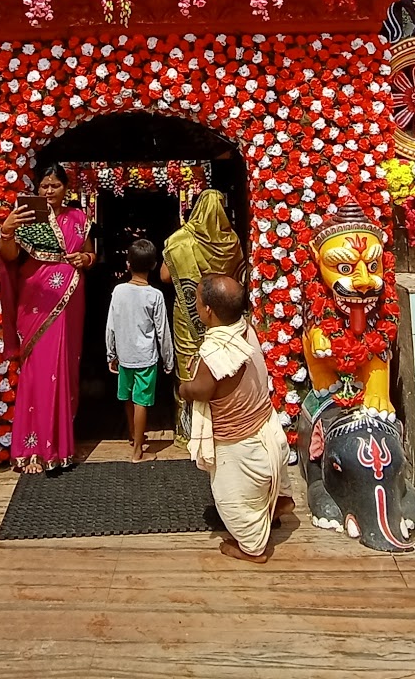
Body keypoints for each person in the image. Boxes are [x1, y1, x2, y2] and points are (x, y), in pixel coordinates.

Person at [178, 271, 292, 564]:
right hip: (268, 427)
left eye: (199, 300)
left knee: (232, 502)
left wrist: (184, 388)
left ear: (208, 311)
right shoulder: (244, 328)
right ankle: (278, 502)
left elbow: (202, 390)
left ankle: (251, 548)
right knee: (267, 482)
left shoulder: (215, 351)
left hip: (240, 446)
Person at [0, 164, 97, 474]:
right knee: (37, 367)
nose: (48, 191)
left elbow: (90, 254)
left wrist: (86, 259)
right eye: (44, 186)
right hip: (36, 298)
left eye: (54, 186)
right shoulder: (26, 218)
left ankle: (59, 448)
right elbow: (11, 257)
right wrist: (7, 230)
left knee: (63, 367)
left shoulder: (79, 219)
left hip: (69, 298)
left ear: (66, 188)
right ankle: (32, 449)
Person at [161, 190, 244, 443]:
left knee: (188, 365)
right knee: (220, 365)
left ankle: (188, 432)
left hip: (188, 316)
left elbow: (165, 276)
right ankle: (219, 427)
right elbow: (240, 276)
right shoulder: (232, 242)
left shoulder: (180, 240)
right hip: (222, 315)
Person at [105, 238, 174, 463]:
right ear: (154, 265)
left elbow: (111, 325)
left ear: (128, 264)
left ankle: (134, 436)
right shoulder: (155, 295)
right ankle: (137, 453)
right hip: (146, 356)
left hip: (124, 354)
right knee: (141, 400)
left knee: (127, 396)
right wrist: (168, 359)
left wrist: (111, 352)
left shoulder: (118, 291)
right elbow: (162, 331)